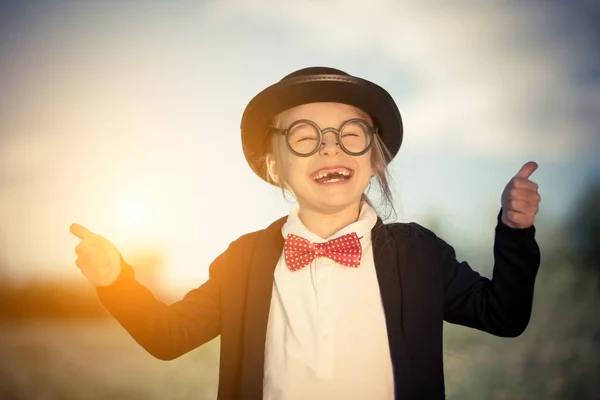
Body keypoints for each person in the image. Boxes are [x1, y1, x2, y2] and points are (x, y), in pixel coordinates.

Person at [69, 67, 542, 399]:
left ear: (375, 157)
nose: (328, 149)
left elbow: (504, 315)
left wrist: (514, 232)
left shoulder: (419, 254)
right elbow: (168, 337)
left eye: (350, 133)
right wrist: (116, 282)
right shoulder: (244, 260)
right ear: (274, 165)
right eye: (303, 136)